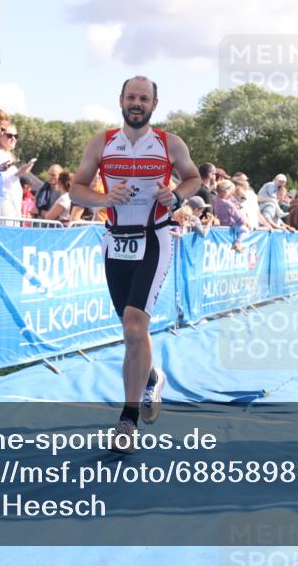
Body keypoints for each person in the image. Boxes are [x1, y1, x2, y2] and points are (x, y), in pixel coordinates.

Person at [69, 76, 200, 453]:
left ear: (154, 104)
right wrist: (104, 198)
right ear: (121, 101)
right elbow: (77, 187)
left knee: (134, 322)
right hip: (115, 241)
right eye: (131, 97)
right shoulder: (102, 142)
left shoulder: (169, 143)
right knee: (131, 332)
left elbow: (192, 179)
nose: (137, 103)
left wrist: (175, 196)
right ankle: (152, 377)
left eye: (144, 98)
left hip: (155, 238)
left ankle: (127, 422)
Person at [213, 179, 248, 251]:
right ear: (226, 192)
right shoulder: (229, 204)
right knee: (245, 230)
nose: (231, 195)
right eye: (231, 193)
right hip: (229, 224)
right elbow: (239, 218)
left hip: (219, 224)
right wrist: (245, 221)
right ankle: (237, 243)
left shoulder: (214, 199)